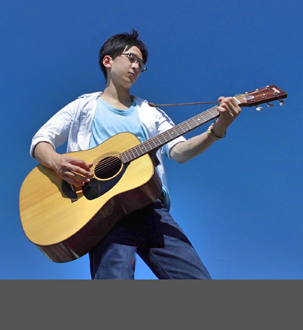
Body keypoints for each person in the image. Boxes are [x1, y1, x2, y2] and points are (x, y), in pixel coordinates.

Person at [30, 29, 241, 279]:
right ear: (107, 61)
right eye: (131, 58)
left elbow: (180, 151)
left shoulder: (150, 112)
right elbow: (40, 141)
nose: (136, 66)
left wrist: (217, 129)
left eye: (141, 64)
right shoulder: (83, 106)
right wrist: (58, 162)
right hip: (102, 213)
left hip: (150, 207)